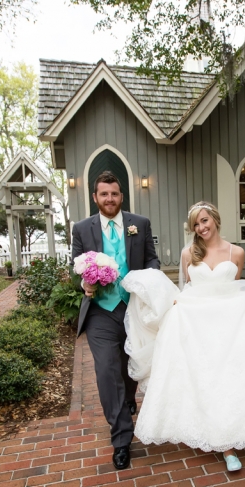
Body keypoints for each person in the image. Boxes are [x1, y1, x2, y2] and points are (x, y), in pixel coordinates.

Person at [124, 201, 245, 472]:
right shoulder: (188, 253)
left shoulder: (236, 252)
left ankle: (231, 437)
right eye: (196, 224)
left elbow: (234, 287)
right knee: (204, 377)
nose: (201, 227)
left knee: (230, 378)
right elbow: (188, 287)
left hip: (229, 326)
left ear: (215, 218)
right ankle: (219, 439)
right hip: (197, 325)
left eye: (204, 221)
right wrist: (181, 303)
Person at [71, 171, 160, 470]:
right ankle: (122, 439)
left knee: (129, 364)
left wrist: (146, 281)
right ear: (95, 197)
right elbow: (76, 268)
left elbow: (152, 260)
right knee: (108, 370)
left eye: (114, 194)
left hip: (132, 307)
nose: (110, 199)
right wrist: (85, 285)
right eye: (104, 194)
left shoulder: (140, 224)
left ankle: (128, 400)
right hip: (100, 311)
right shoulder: (82, 229)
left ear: (122, 197)